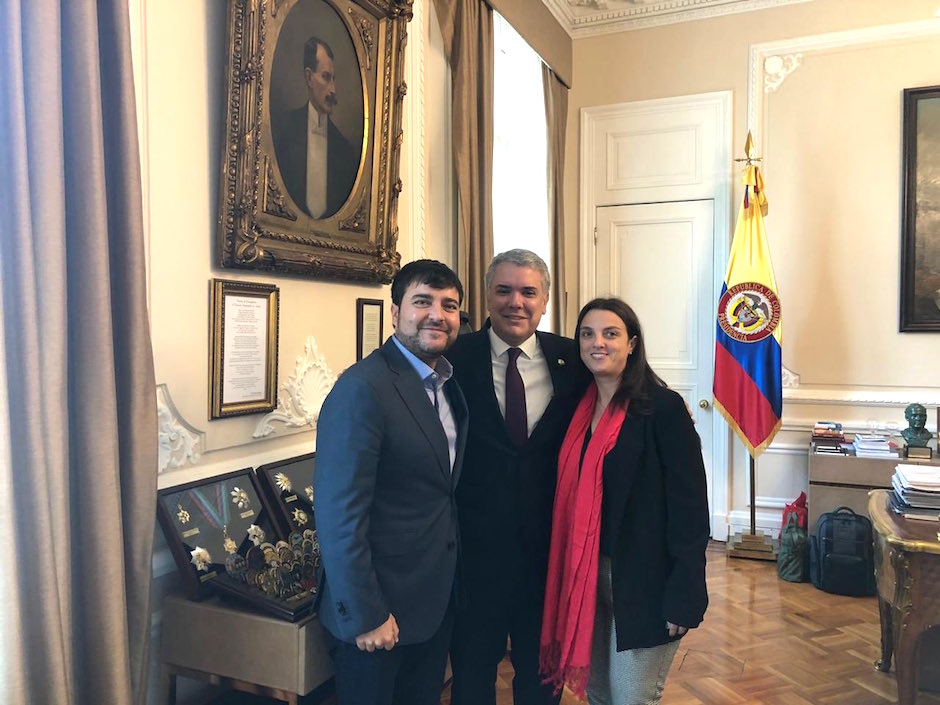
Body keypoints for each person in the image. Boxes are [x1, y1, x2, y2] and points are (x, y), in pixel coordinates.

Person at [540, 297, 710, 705]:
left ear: (632, 343)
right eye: (587, 334)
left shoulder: (663, 409)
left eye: (611, 333)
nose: (598, 342)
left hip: (646, 581)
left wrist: (685, 592)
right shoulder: (572, 407)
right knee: (599, 695)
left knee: (632, 698)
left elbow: (690, 509)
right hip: (586, 575)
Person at [313, 260, 468, 705]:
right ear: (396, 311)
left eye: (449, 305)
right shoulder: (363, 388)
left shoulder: (447, 385)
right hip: (379, 613)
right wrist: (366, 613)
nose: (437, 314)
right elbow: (339, 514)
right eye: (423, 302)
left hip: (431, 603)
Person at [447, 249, 589, 705]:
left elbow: (624, 377)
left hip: (547, 555)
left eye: (528, 292)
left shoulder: (572, 359)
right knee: (471, 674)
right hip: (473, 555)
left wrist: (671, 401)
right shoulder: (452, 359)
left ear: (545, 300)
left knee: (541, 677)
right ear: (487, 296)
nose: (516, 302)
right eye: (504, 290)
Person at [273, 35, 359, 219]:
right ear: (309, 78)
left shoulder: (344, 149)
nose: (333, 89)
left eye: (333, 79)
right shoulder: (284, 130)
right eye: (326, 77)